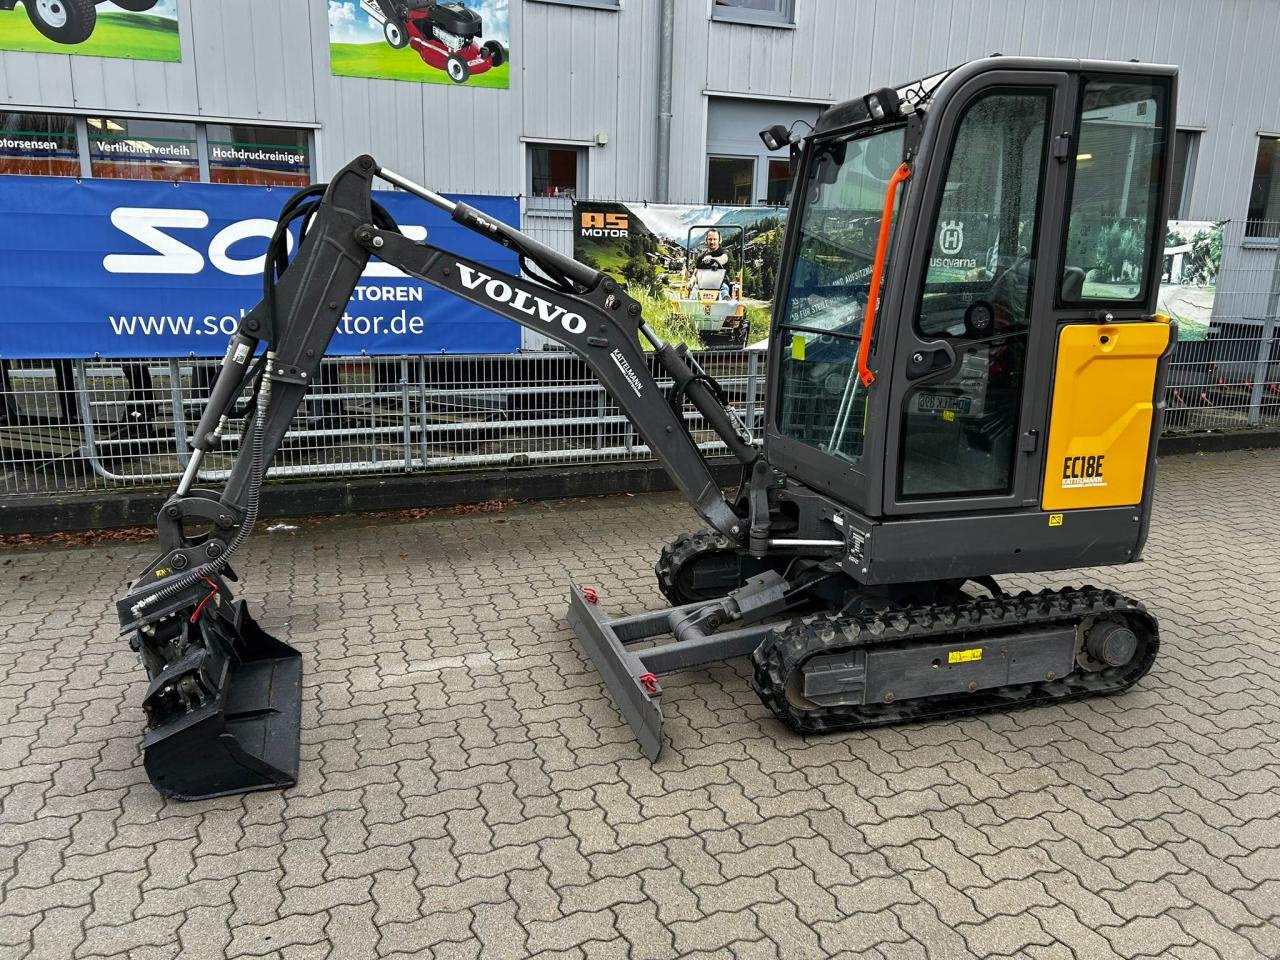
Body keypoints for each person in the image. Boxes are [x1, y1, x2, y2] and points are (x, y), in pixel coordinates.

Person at [690, 228, 733, 299]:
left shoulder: (724, 251)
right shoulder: (701, 257)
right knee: (695, 289)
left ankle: (726, 302)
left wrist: (714, 259)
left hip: (721, 283)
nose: (712, 242)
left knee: (724, 289)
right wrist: (691, 282)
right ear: (706, 240)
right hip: (703, 284)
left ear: (719, 240)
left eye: (715, 239)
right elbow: (695, 274)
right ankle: (691, 304)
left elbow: (724, 258)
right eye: (710, 239)